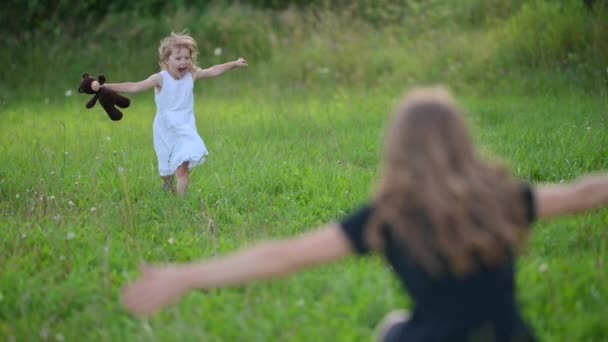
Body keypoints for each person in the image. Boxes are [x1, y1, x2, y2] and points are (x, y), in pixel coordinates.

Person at [122, 86, 608, 341]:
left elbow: (283, 255)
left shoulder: (388, 217)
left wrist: (186, 276)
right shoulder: (504, 198)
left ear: (397, 150)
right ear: (464, 141)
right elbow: (588, 192)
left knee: (394, 328)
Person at [98, 31, 248, 196]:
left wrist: (233, 64)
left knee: (182, 168)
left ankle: (180, 203)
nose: (183, 62)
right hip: (165, 127)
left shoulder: (191, 74)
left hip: (185, 126)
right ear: (166, 61)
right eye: (178, 58)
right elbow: (134, 86)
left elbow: (213, 70)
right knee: (166, 169)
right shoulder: (160, 79)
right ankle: (167, 183)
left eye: (187, 58)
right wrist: (106, 87)